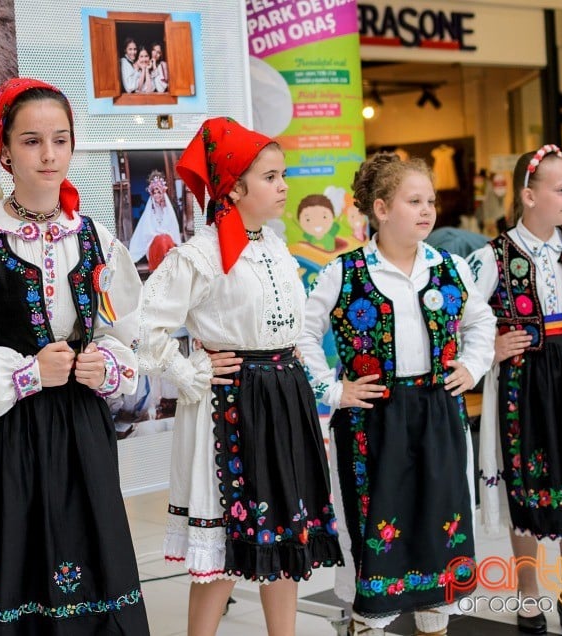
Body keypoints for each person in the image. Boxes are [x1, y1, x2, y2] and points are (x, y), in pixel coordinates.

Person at [0, 77, 150, 635]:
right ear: (4, 151)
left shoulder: (96, 239)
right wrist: (26, 372)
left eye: (60, 139)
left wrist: (105, 365)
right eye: (31, 141)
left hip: (80, 432)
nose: (49, 154)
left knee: (88, 558)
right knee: (12, 565)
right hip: (5, 434)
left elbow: (127, 333)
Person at [137, 117, 343, 636]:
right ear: (234, 187)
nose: (283, 186)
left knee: (286, 534)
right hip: (232, 402)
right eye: (271, 177)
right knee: (226, 542)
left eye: (282, 175)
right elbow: (143, 325)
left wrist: (314, 387)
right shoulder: (201, 252)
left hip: (284, 396)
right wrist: (191, 371)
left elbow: (292, 329)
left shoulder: (274, 244)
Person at [299, 152, 496, 636]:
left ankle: (435, 622)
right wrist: (332, 387)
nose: (427, 210)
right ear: (382, 210)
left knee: (440, 521)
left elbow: (481, 322)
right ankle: (369, 622)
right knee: (377, 525)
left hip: (439, 413)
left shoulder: (449, 267)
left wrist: (472, 366)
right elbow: (302, 334)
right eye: (414, 201)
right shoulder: (344, 271)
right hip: (372, 420)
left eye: (429, 201)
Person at [469, 145, 562, 636]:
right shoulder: (491, 257)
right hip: (523, 382)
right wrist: (491, 344)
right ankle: (528, 594)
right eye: (561, 188)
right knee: (527, 485)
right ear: (529, 196)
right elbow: (457, 317)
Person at [128, 169, 181, 263]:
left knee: (165, 239)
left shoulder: (167, 210)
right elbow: (147, 231)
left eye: (159, 192)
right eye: (154, 193)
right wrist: (159, 235)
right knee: (161, 240)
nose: (156, 195)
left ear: (163, 193)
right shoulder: (150, 210)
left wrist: (165, 235)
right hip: (154, 242)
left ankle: (168, 265)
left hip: (167, 241)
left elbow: (173, 228)